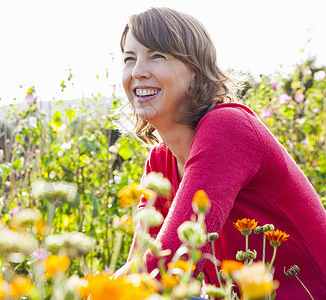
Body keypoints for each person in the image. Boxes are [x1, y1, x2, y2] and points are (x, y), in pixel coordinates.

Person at [113, 7, 326, 298]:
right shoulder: (159, 162)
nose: (137, 71)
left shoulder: (228, 127)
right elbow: (141, 264)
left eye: (157, 55)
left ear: (195, 71)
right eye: (129, 58)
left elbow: (169, 262)